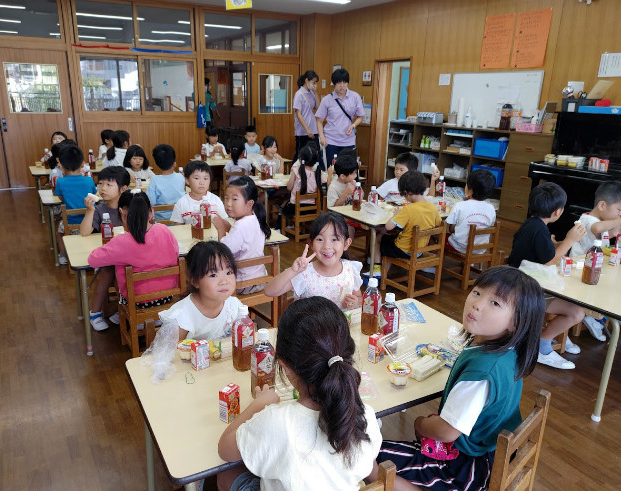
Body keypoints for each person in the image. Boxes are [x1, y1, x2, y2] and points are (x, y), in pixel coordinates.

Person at [372, 266, 543, 491]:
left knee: (366, 456)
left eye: (495, 303)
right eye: (478, 292)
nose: (477, 304)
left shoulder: (483, 373)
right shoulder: (507, 353)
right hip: (486, 453)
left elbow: (446, 431)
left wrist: (421, 423)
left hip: (464, 469)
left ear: (516, 323)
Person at [217, 296, 382, 491]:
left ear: (285, 367)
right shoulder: (365, 414)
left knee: (225, 473)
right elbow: (368, 466)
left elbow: (224, 449)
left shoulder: (275, 421)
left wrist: (258, 404)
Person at [507, 182, 586, 370]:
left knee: (574, 307)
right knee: (577, 312)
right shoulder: (539, 230)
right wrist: (570, 240)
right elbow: (550, 261)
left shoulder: (531, 225)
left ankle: (545, 339)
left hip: (521, 284)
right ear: (558, 212)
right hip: (527, 292)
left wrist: (556, 243)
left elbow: (543, 253)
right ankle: (542, 345)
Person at [88, 190, 179, 327]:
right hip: (166, 299)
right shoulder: (164, 230)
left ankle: (124, 315)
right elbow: (176, 252)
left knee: (113, 271)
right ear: (151, 212)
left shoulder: (122, 242)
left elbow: (93, 260)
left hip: (135, 303)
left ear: (122, 214)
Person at [265, 211, 362, 310]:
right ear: (311, 243)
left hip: (340, 325)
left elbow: (358, 298)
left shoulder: (350, 269)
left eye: (334, 239)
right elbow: (269, 291)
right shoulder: (304, 272)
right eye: (320, 239)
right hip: (310, 325)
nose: (327, 246)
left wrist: (354, 302)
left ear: (346, 244)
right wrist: (293, 271)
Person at [79, 167, 131, 330]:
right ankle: (95, 313)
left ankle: (126, 309)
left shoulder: (132, 206)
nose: (102, 188)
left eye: (109, 184)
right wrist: (90, 210)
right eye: (100, 184)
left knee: (132, 270)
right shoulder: (100, 208)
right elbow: (85, 232)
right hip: (110, 255)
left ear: (123, 189)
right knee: (108, 271)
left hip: (129, 254)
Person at [159, 241, 245, 341]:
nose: (224, 281)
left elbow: (245, 335)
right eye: (213, 275)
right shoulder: (182, 315)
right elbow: (170, 352)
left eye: (229, 272)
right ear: (195, 281)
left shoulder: (234, 306)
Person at [569, 181, 621, 342]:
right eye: (619, 211)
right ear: (602, 205)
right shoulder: (587, 220)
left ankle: (597, 316)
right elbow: (597, 229)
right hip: (578, 270)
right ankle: (593, 315)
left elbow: (603, 234)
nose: (619, 215)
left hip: (593, 268)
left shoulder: (599, 223)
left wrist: (613, 233)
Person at [213, 176, 271, 294]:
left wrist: (220, 230)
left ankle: (221, 311)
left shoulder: (241, 226)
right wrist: (228, 227)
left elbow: (223, 254)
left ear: (249, 203)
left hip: (244, 282)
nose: (228, 204)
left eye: (234, 199)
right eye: (226, 198)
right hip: (259, 277)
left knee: (208, 281)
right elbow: (244, 239)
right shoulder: (254, 217)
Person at [373, 170, 442, 270]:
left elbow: (388, 227)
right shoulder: (433, 208)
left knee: (379, 238)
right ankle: (384, 273)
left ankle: (377, 270)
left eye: (404, 195)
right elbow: (438, 225)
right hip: (420, 250)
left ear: (408, 193)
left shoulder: (408, 209)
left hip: (404, 250)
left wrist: (395, 215)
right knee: (392, 238)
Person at [53, 144, 97, 265]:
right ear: (82, 164)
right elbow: (93, 194)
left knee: (59, 231)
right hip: (90, 222)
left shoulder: (60, 181)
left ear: (61, 165)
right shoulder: (88, 180)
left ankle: (63, 255)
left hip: (70, 222)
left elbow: (60, 197)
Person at [315, 68, 364, 170]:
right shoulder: (327, 100)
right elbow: (319, 121)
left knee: (349, 171)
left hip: (348, 141)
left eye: (345, 82)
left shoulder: (355, 97)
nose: (342, 86)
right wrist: (322, 137)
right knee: (332, 170)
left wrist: (354, 125)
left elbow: (360, 116)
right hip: (331, 141)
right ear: (334, 83)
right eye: (339, 83)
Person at [445, 169, 497, 253]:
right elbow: (489, 225)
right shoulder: (491, 208)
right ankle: (470, 263)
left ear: (470, 189)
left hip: (460, 246)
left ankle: (435, 263)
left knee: (438, 237)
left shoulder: (460, 205)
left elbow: (451, 229)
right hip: (480, 248)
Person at [170, 160, 228, 225]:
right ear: (187, 180)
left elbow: (224, 223)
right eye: (197, 178)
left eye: (205, 178)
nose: (202, 182)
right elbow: (179, 229)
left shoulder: (216, 200)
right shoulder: (181, 203)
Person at [284, 143, 327, 218]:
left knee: (284, 206)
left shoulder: (296, 170)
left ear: (300, 160)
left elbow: (289, 187)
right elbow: (325, 182)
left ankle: (283, 227)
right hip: (313, 208)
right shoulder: (318, 172)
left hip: (296, 208)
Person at [327, 153, 363, 240]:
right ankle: (344, 252)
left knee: (376, 228)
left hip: (353, 216)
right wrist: (345, 193)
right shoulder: (333, 187)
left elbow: (361, 199)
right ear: (342, 176)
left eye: (356, 173)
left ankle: (371, 252)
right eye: (353, 173)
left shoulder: (351, 183)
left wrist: (358, 192)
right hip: (339, 219)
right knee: (349, 230)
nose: (355, 176)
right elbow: (333, 208)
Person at [146, 144, 185, 221]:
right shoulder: (180, 177)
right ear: (174, 163)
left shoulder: (154, 180)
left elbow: (150, 202)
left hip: (161, 221)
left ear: (156, 164)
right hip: (180, 219)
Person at [293, 70, 321, 163]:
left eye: (316, 82)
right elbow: (298, 114)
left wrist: (316, 92)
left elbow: (317, 107)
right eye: (313, 82)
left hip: (313, 129)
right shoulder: (299, 94)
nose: (314, 84)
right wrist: (307, 129)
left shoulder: (312, 93)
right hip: (302, 132)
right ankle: (295, 174)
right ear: (306, 81)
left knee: (316, 154)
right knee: (300, 155)